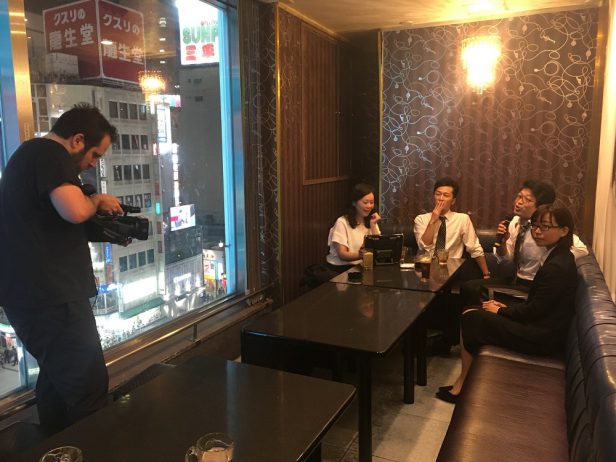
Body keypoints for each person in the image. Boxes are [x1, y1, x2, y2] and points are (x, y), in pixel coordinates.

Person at [0, 104, 122, 434]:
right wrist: (96, 201)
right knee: (88, 387)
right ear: (77, 140)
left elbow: (51, 224)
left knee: (57, 385)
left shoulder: (30, 158)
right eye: (95, 155)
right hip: (52, 299)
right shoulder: (48, 152)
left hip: (36, 298)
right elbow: (75, 211)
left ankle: (58, 450)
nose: (93, 164)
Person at [437, 205, 579, 404]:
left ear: (564, 231)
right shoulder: (556, 255)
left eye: (545, 227)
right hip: (540, 328)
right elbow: (536, 305)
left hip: (540, 338)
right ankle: (464, 381)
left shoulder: (557, 266)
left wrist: (502, 310)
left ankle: (462, 386)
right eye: (535, 226)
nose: (537, 231)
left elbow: (534, 311)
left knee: (470, 318)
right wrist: (502, 308)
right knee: (472, 310)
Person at [460, 180, 587, 306]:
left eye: (527, 200)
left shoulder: (544, 230)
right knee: (468, 286)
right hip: (516, 280)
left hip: (533, 286)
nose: (519, 202)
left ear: (541, 207)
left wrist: (550, 259)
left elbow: (582, 250)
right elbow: (506, 258)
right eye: (519, 196)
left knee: (475, 290)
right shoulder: (515, 222)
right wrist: (502, 244)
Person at [414, 176, 490, 277]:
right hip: (425, 269)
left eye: (446, 195)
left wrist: (486, 274)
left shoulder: (462, 219)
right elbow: (424, 245)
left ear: (453, 201)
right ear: (434, 196)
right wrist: (433, 220)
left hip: (451, 270)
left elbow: (474, 248)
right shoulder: (421, 219)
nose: (441, 198)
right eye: (438, 194)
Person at [326, 183, 381, 273]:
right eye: (365, 202)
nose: (369, 206)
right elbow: (342, 254)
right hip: (341, 270)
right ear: (354, 203)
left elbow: (378, 249)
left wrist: (373, 225)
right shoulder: (342, 222)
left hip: (362, 267)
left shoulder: (371, 221)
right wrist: (361, 255)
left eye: (371, 202)